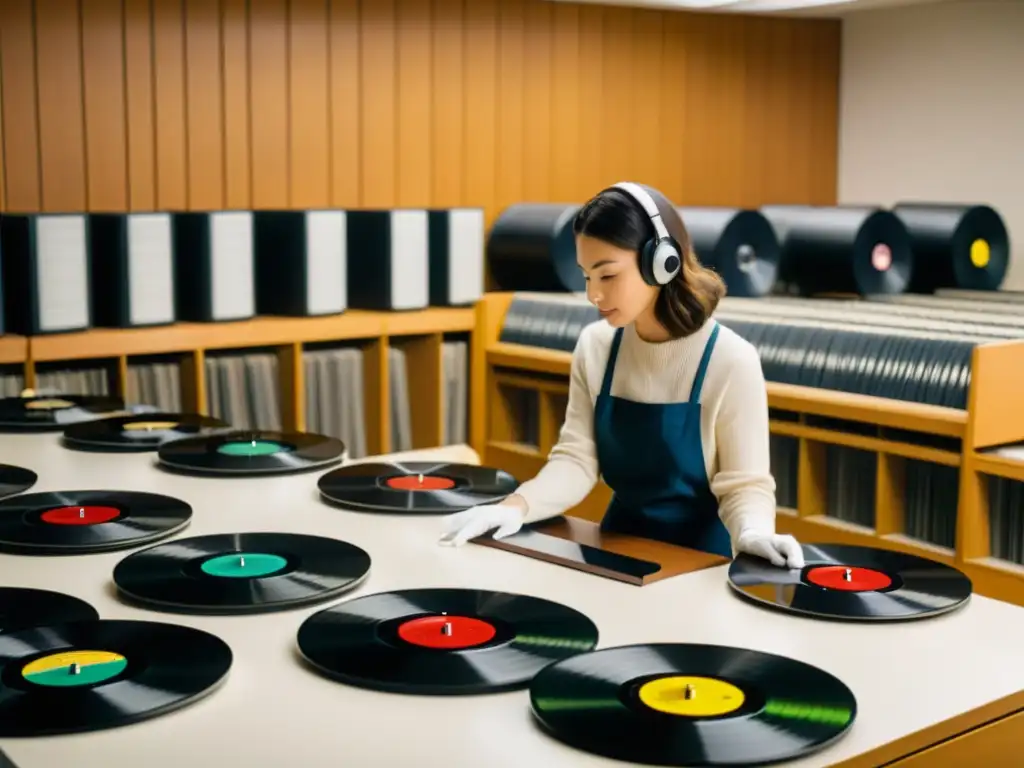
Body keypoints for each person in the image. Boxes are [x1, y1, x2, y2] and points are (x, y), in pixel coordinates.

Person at [440, 182, 804, 569]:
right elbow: (576, 461)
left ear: (662, 263)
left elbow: (744, 486)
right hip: (615, 549)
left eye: (607, 276)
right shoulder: (596, 346)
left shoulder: (732, 360)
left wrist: (753, 533)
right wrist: (515, 507)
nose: (593, 295)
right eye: (586, 277)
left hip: (701, 563)